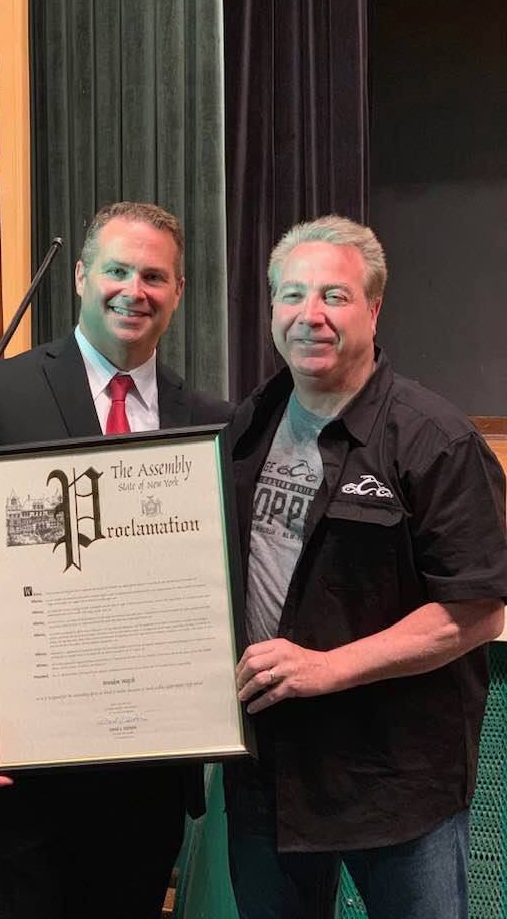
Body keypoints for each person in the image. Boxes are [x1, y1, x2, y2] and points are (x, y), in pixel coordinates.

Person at [0, 201, 233, 919]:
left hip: (147, 773)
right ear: (82, 277)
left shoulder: (209, 421)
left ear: (178, 292)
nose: (135, 290)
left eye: (155, 276)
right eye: (117, 270)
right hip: (24, 762)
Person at [225, 215, 507, 919]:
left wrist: (326, 667)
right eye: (291, 296)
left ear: (374, 309)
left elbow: (477, 610)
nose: (309, 316)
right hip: (270, 777)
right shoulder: (247, 426)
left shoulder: (435, 439)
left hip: (396, 785)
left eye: (334, 296)